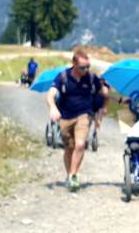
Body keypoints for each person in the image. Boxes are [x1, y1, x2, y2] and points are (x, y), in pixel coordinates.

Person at [46, 51, 109, 192]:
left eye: (88, 66)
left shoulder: (91, 77)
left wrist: (121, 100)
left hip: (83, 114)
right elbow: (50, 95)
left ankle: (73, 175)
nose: (85, 70)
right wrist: (53, 108)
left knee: (80, 145)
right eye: (82, 67)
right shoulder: (63, 77)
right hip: (65, 116)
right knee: (69, 147)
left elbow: (103, 92)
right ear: (74, 64)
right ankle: (69, 175)